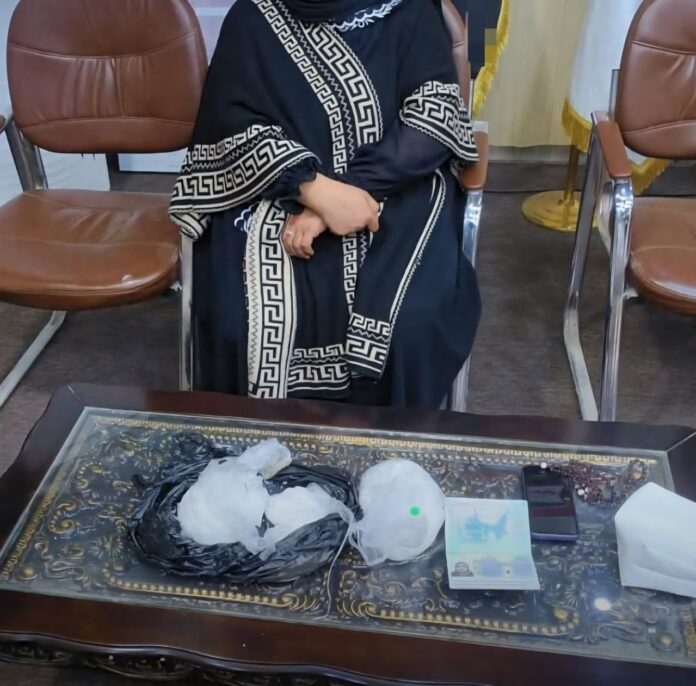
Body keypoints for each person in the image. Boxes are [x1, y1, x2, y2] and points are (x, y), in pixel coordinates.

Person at [169, 0, 481, 408]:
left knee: (411, 325)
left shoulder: (411, 9)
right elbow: (227, 122)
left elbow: (433, 118)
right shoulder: (253, 16)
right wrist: (312, 189)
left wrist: (346, 193)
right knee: (236, 318)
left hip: (397, 189)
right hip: (275, 191)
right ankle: (261, 445)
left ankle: (386, 445)